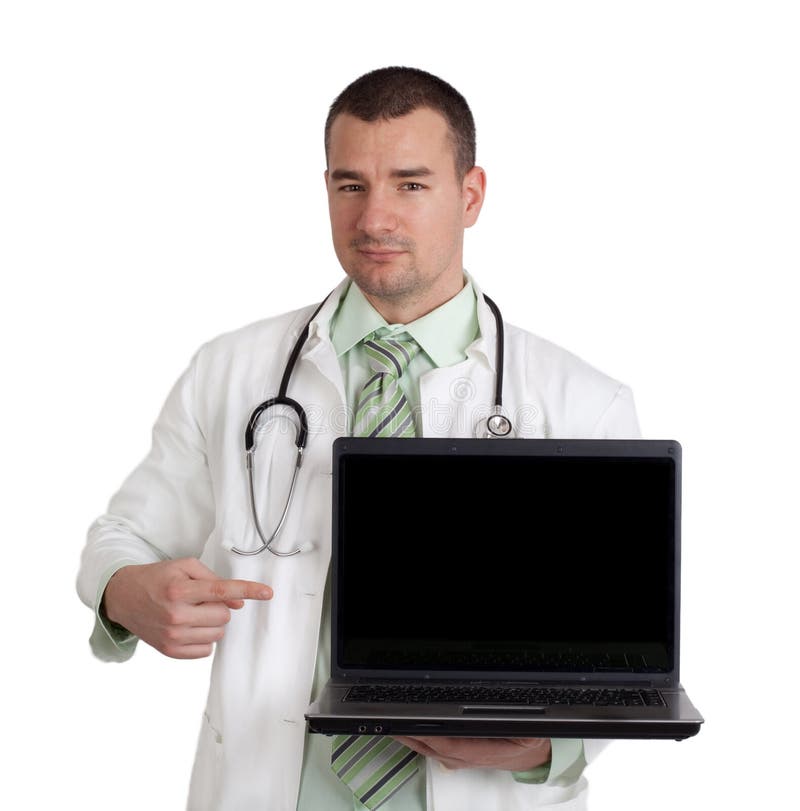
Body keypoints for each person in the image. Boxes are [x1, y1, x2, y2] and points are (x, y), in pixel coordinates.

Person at [77, 66, 641, 810]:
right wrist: (127, 591)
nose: (375, 218)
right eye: (351, 186)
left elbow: (625, 658)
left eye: (411, 184)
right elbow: (122, 537)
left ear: (470, 195)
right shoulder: (233, 372)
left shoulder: (581, 404)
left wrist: (542, 744)